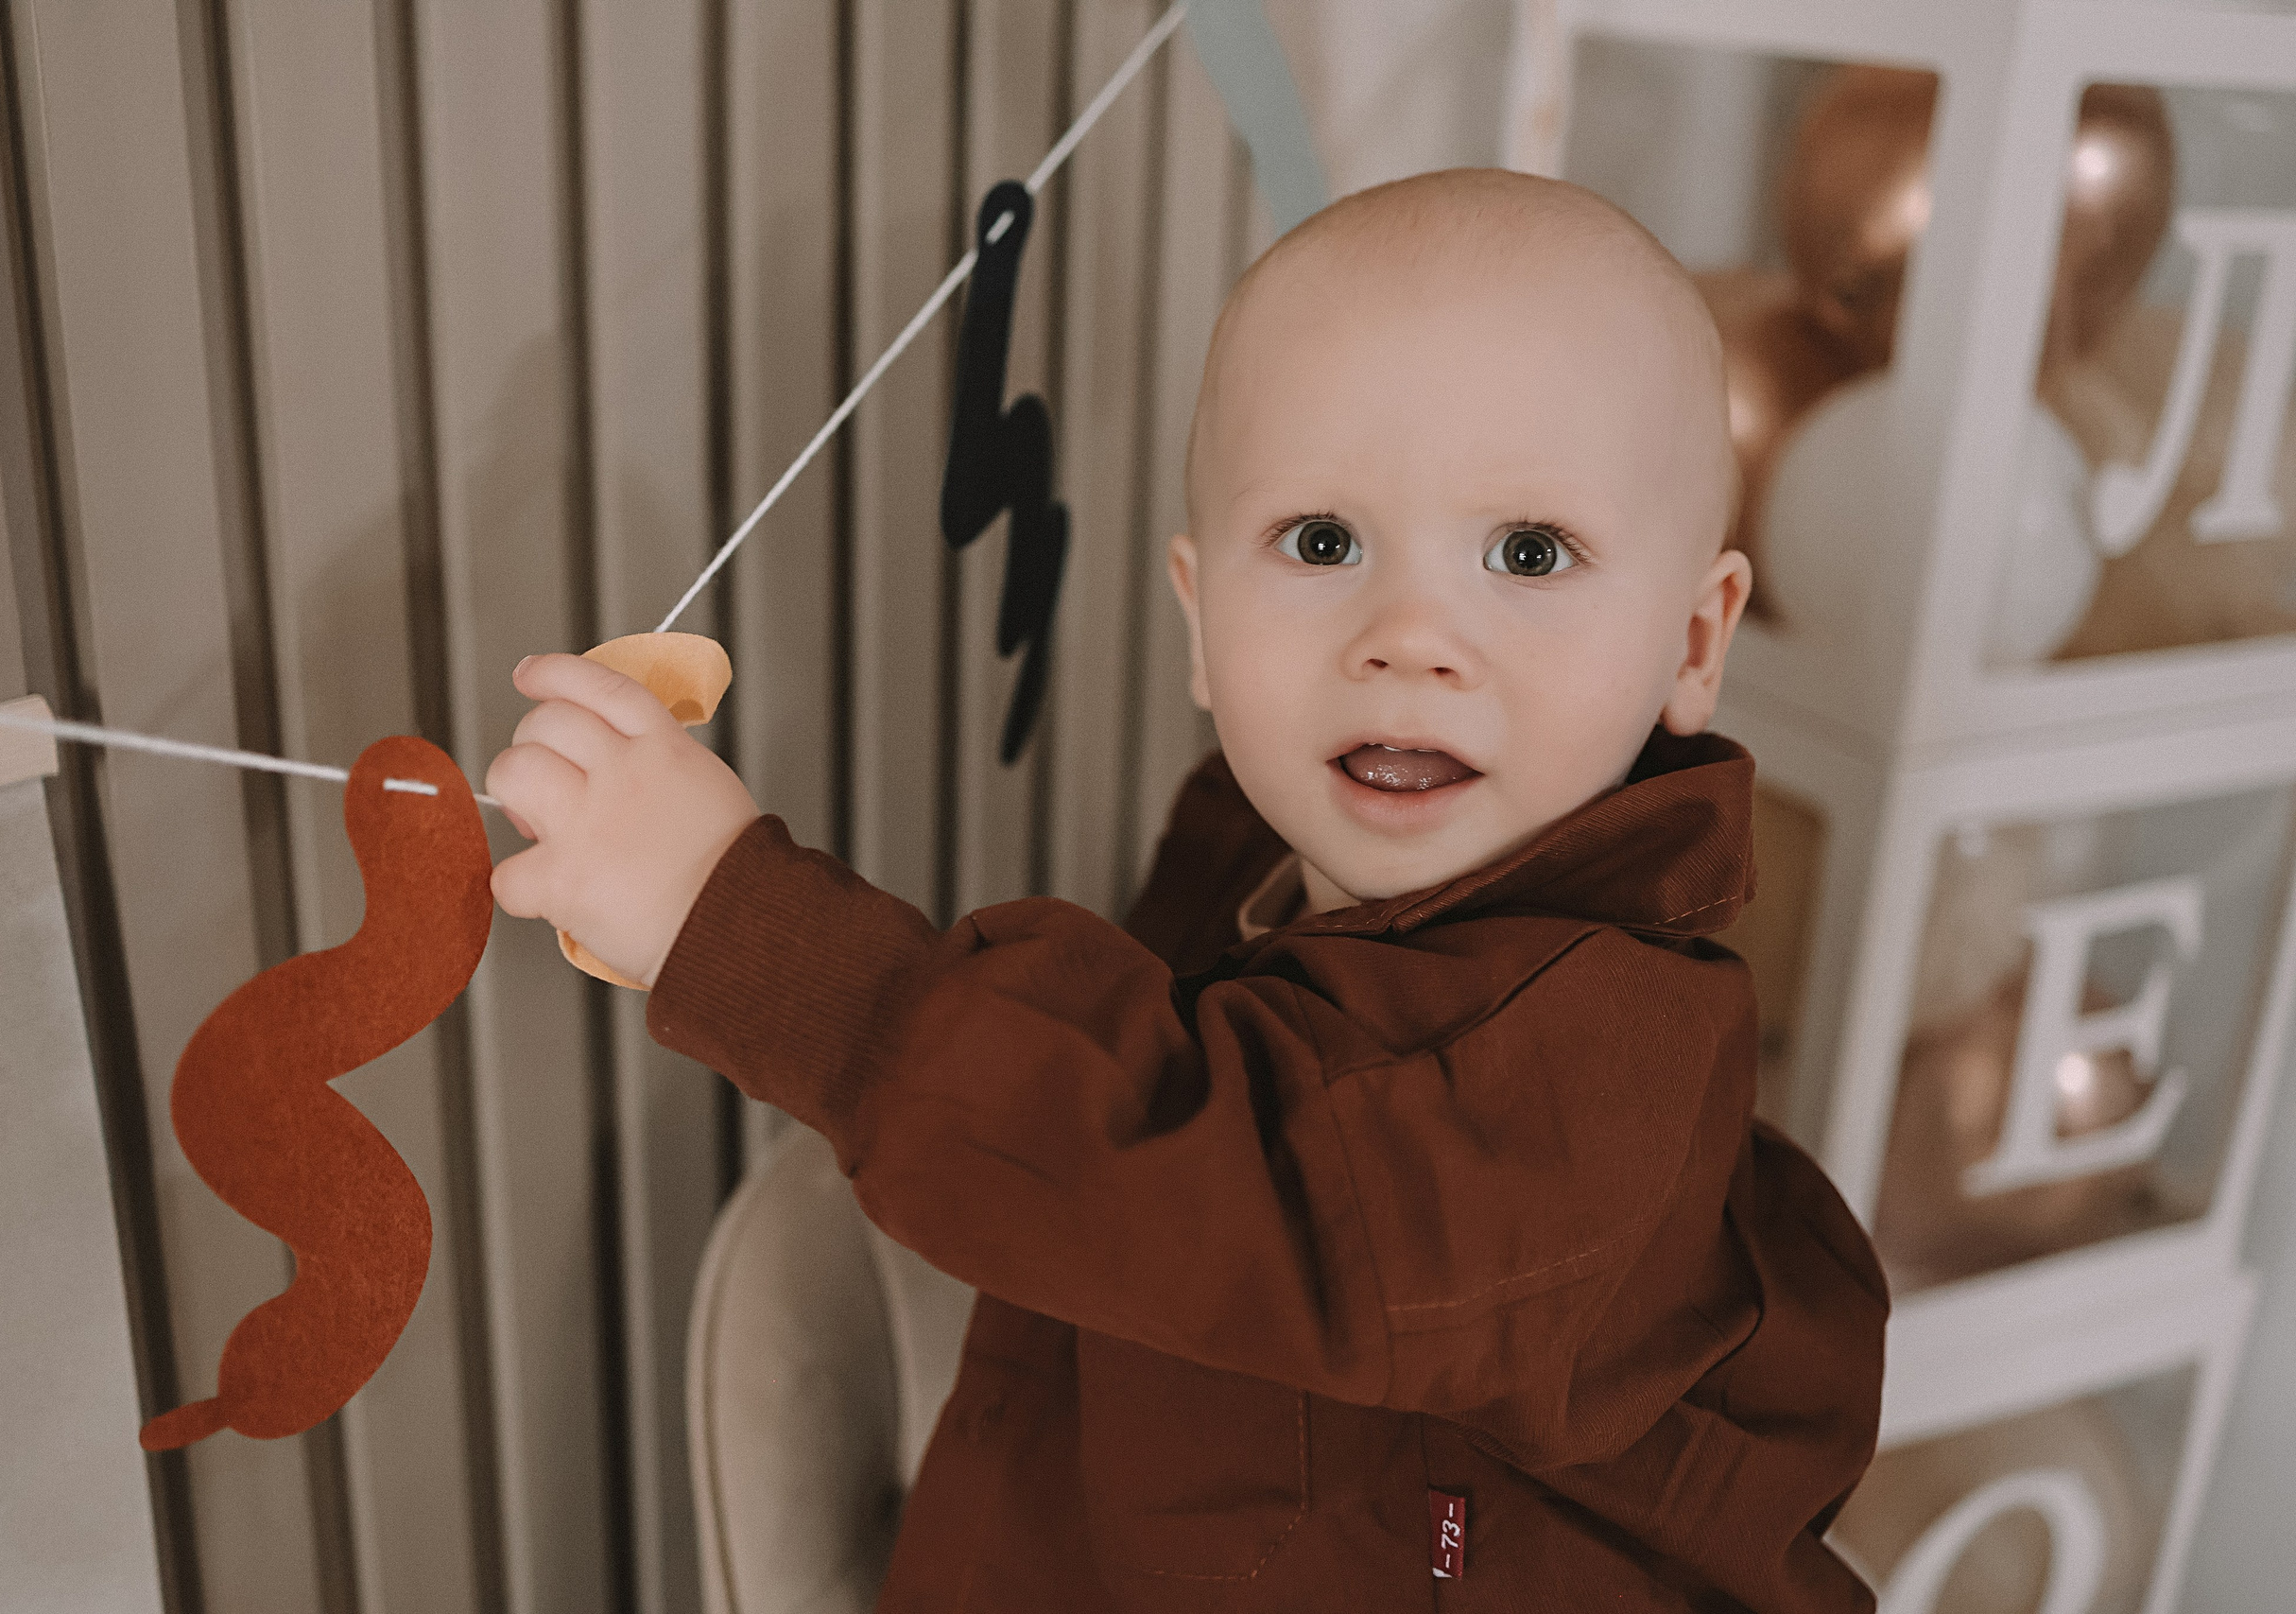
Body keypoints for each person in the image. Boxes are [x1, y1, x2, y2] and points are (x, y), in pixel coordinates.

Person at [487, 167, 1888, 1611]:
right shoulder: (1256, 864)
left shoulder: (1601, 1062)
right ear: (1203, 616)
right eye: (1324, 542)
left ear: (1691, 643)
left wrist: (740, 923)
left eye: (1529, 554)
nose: (1411, 636)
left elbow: (1193, 1167)